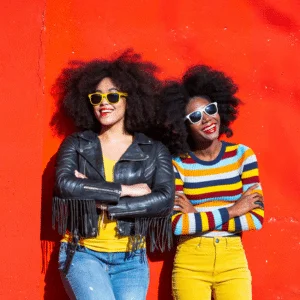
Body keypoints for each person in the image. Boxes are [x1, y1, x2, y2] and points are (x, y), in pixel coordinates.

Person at [51, 50, 174, 300]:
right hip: (84, 252)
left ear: (131, 100)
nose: (104, 103)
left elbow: (164, 200)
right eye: (96, 98)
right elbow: (65, 184)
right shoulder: (76, 144)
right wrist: (124, 191)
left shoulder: (153, 150)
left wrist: (106, 206)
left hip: (131, 259)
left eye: (113, 96)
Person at [158, 65, 264, 300]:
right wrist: (234, 210)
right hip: (190, 260)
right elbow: (176, 225)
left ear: (220, 109)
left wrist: (197, 215)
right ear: (183, 125)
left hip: (233, 259)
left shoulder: (243, 156)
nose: (206, 119)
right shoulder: (178, 164)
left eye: (210, 109)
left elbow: (256, 219)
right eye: (195, 117)